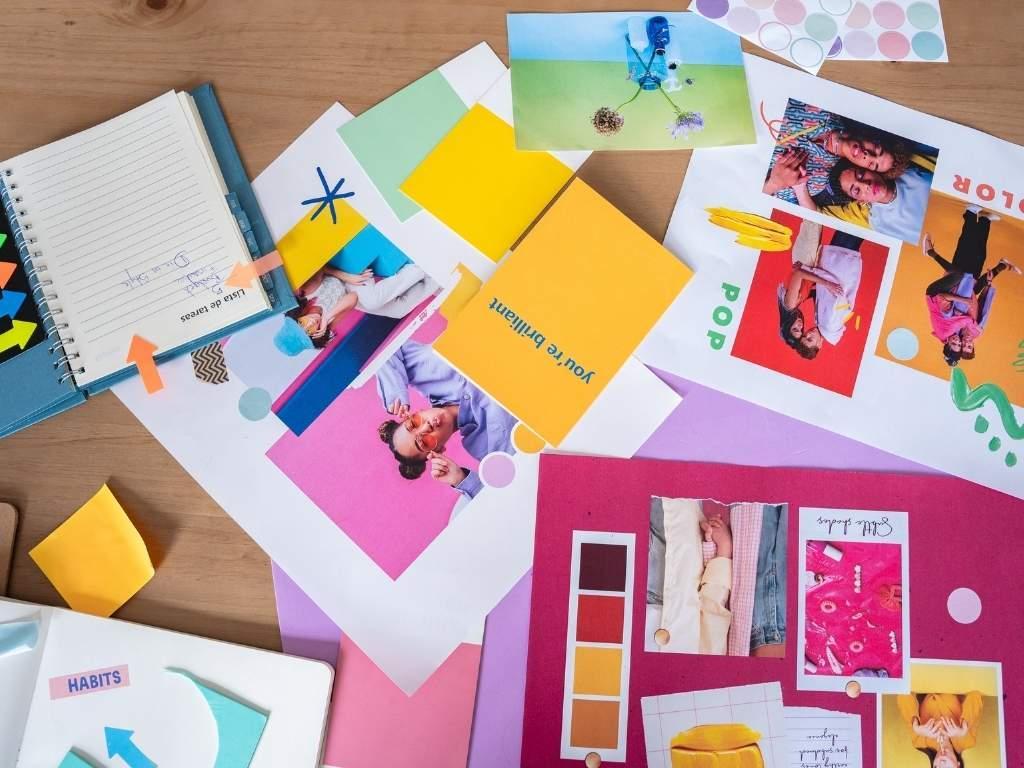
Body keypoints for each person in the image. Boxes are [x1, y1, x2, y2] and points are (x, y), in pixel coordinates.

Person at [376, 340, 517, 499]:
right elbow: (518, 488)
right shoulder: (486, 445)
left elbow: (385, 345)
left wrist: (395, 395)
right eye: (424, 442)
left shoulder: (422, 373)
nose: (426, 428)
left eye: (414, 423)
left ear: (417, 412)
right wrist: (460, 479)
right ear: (438, 451)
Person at [922, 206, 1020, 366]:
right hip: (964, 289)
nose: (959, 342)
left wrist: (967, 305)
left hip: (942, 292)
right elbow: (980, 308)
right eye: (962, 345)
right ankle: (984, 220)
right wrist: (986, 285)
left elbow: (957, 311)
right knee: (979, 255)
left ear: (947, 344)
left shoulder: (946, 331)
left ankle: (969, 214)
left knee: (964, 251)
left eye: (955, 345)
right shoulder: (963, 332)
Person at [763, 101, 914, 205]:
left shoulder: (817, 180)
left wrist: (774, 183)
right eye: (876, 149)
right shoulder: (824, 108)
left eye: (872, 164)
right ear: (873, 137)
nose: (867, 154)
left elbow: (753, 198)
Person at [288, 263, 436, 348]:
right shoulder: (325, 324)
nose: (311, 324)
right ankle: (434, 280)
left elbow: (321, 268)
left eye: (302, 324)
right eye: (309, 331)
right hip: (352, 292)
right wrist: (327, 318)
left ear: (298, 317)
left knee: (373, 301)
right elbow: (351, 299)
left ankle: (419, 268)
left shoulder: (307, 294)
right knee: (397, 311)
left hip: (348, 273)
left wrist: (346, 277)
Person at [777, 219, 864, 360]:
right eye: (808, 338)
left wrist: (820, 280)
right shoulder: (828, 324)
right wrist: (825, 284)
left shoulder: (791, 306)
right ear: (820, 344)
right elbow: (837, 295)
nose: (806, 330)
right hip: (839, 260)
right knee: (856, 220)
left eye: (800, 331)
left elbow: (804, 278)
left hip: (819, 259)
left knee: (816, 217)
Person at [896, 690, 983, 768]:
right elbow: (975, 695)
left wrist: (915, 725)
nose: (941, 762)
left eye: (937, 767)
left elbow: (902, 694)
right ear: (958, 765)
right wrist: (964, 727)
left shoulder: (919, 741)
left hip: (926, 679)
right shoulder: (968, 740)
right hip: (953, 678)